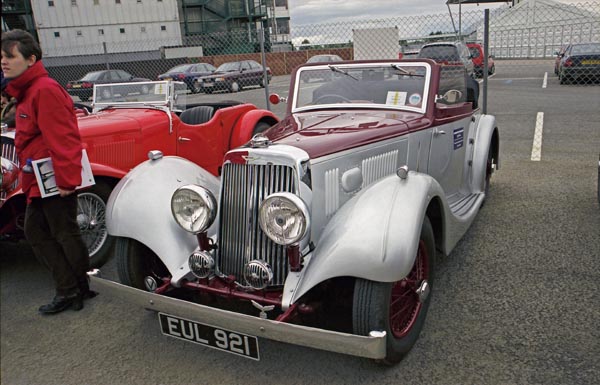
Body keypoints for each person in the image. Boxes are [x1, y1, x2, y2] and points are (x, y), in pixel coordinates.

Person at [1, 29, 96, 315]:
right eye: (1, 57)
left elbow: (64, 138)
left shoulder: (44, 90)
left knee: (52, 232)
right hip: (39, 178)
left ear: (30, 59)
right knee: (52, 232)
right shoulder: (28, 91)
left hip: (52, 178)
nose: (3, 62)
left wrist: (67, 180)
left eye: (9, 56)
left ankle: (72, 290)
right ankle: (76, 288)